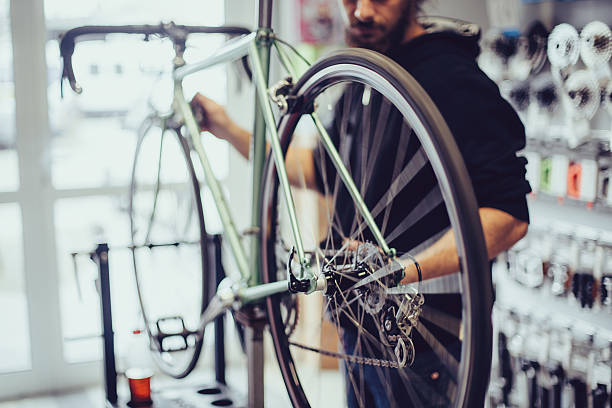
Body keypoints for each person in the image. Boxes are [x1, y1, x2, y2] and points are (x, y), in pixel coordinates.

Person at [191, 0, 531, 406]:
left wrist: (402, 270)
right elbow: (320, 170)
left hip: (419, 342)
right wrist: (227, 130)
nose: (363, 12)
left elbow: (509, 216)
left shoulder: (451, 78)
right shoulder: (361, 74)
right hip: (356, 327)